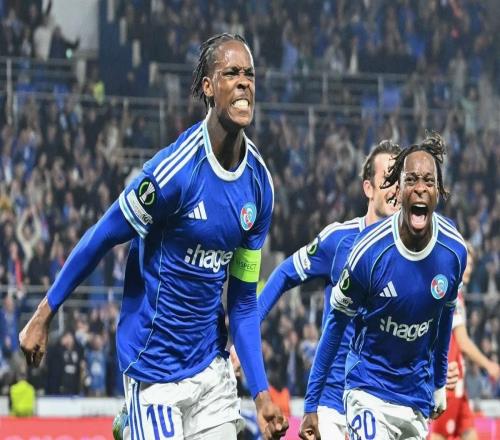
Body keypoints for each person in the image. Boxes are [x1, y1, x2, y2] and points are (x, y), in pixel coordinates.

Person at [19, 33, 288, 440]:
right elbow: (102, 235)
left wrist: (262, 393)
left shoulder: (259, 186)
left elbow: (243, 300)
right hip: (154, 368)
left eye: (249, 74)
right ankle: (134, 421)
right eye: (231, 73)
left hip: (210, 369)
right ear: (208, 87)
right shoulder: (173, 173)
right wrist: (44, 313)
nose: (243, 83)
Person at [300, 133, 467, 440]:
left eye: (429, 181)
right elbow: (335, 325)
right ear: (398, 190)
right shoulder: (368, 252)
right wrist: (311, 403)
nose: (420, 188)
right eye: (411, 180)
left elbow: (445, 317)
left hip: (415, 398)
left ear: (439, 190)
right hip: (368, 391)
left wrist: (439, 382)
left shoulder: (453, 251)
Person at [258, 140, 402, 439]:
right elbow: (284, 273)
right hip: (332, 404)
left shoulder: (411, 255)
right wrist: (247, 331)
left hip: (382, 402)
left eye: (400, 181)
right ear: (368, 188)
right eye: (388, 179)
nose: (396, 189)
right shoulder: (339, 240)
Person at [430, 243, 500, 440]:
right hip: (448, 378)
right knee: (439, 435)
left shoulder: (457, 295)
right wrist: (489, 365)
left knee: (470, 433)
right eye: (466, 263)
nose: (469, 269)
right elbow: (463, 342)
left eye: (472, 264)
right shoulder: (449, 294)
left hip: (458, 379)